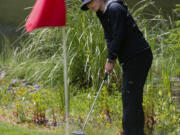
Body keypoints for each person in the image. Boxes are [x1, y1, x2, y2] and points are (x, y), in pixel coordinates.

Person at [80, 0, 153, 135]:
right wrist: (110, 59)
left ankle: (130, 132)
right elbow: (109, 37)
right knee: (131, 97)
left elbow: (119, 35)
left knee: (130, 97)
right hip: (131, 58)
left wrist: (111, 58)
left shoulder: (114, 9)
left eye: (91, 1)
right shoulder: (102, 13)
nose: (90, 5)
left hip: (138, 56)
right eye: (87, 4)